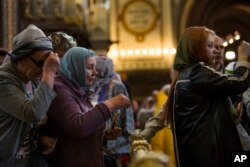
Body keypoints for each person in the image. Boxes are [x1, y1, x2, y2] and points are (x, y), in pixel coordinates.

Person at [139, 26, 250, 167]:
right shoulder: (198, 73)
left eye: (220, 47)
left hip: (219, 143)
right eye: (211, 46)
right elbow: (239, 83)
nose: (216, 51)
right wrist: (243, 58)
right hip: (209, 149)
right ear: (197, 48)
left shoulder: (195, 73)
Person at [41, 47, 131, 167]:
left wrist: (102, 136)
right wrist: (110, 104)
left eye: (95, 67)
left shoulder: (78, 90)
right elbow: (77, 125)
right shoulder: (60, 89)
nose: (95, 72)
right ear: (75, 67)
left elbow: (75, 135)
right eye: (89, 67)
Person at [0, 24, 60, 166]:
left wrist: (39, 137)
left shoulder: (31, 79)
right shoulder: (2, 80)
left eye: (47, 63)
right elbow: (34, 113)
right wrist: (49, 72)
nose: (43, 68)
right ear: (20, 57)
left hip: (30, 158)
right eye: (40, 63)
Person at [92, 56, 135, 167]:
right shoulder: (92, 85)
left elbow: (126, 112)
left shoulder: (116, 85)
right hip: (100, 140)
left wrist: (127, 134)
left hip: (117, 141)